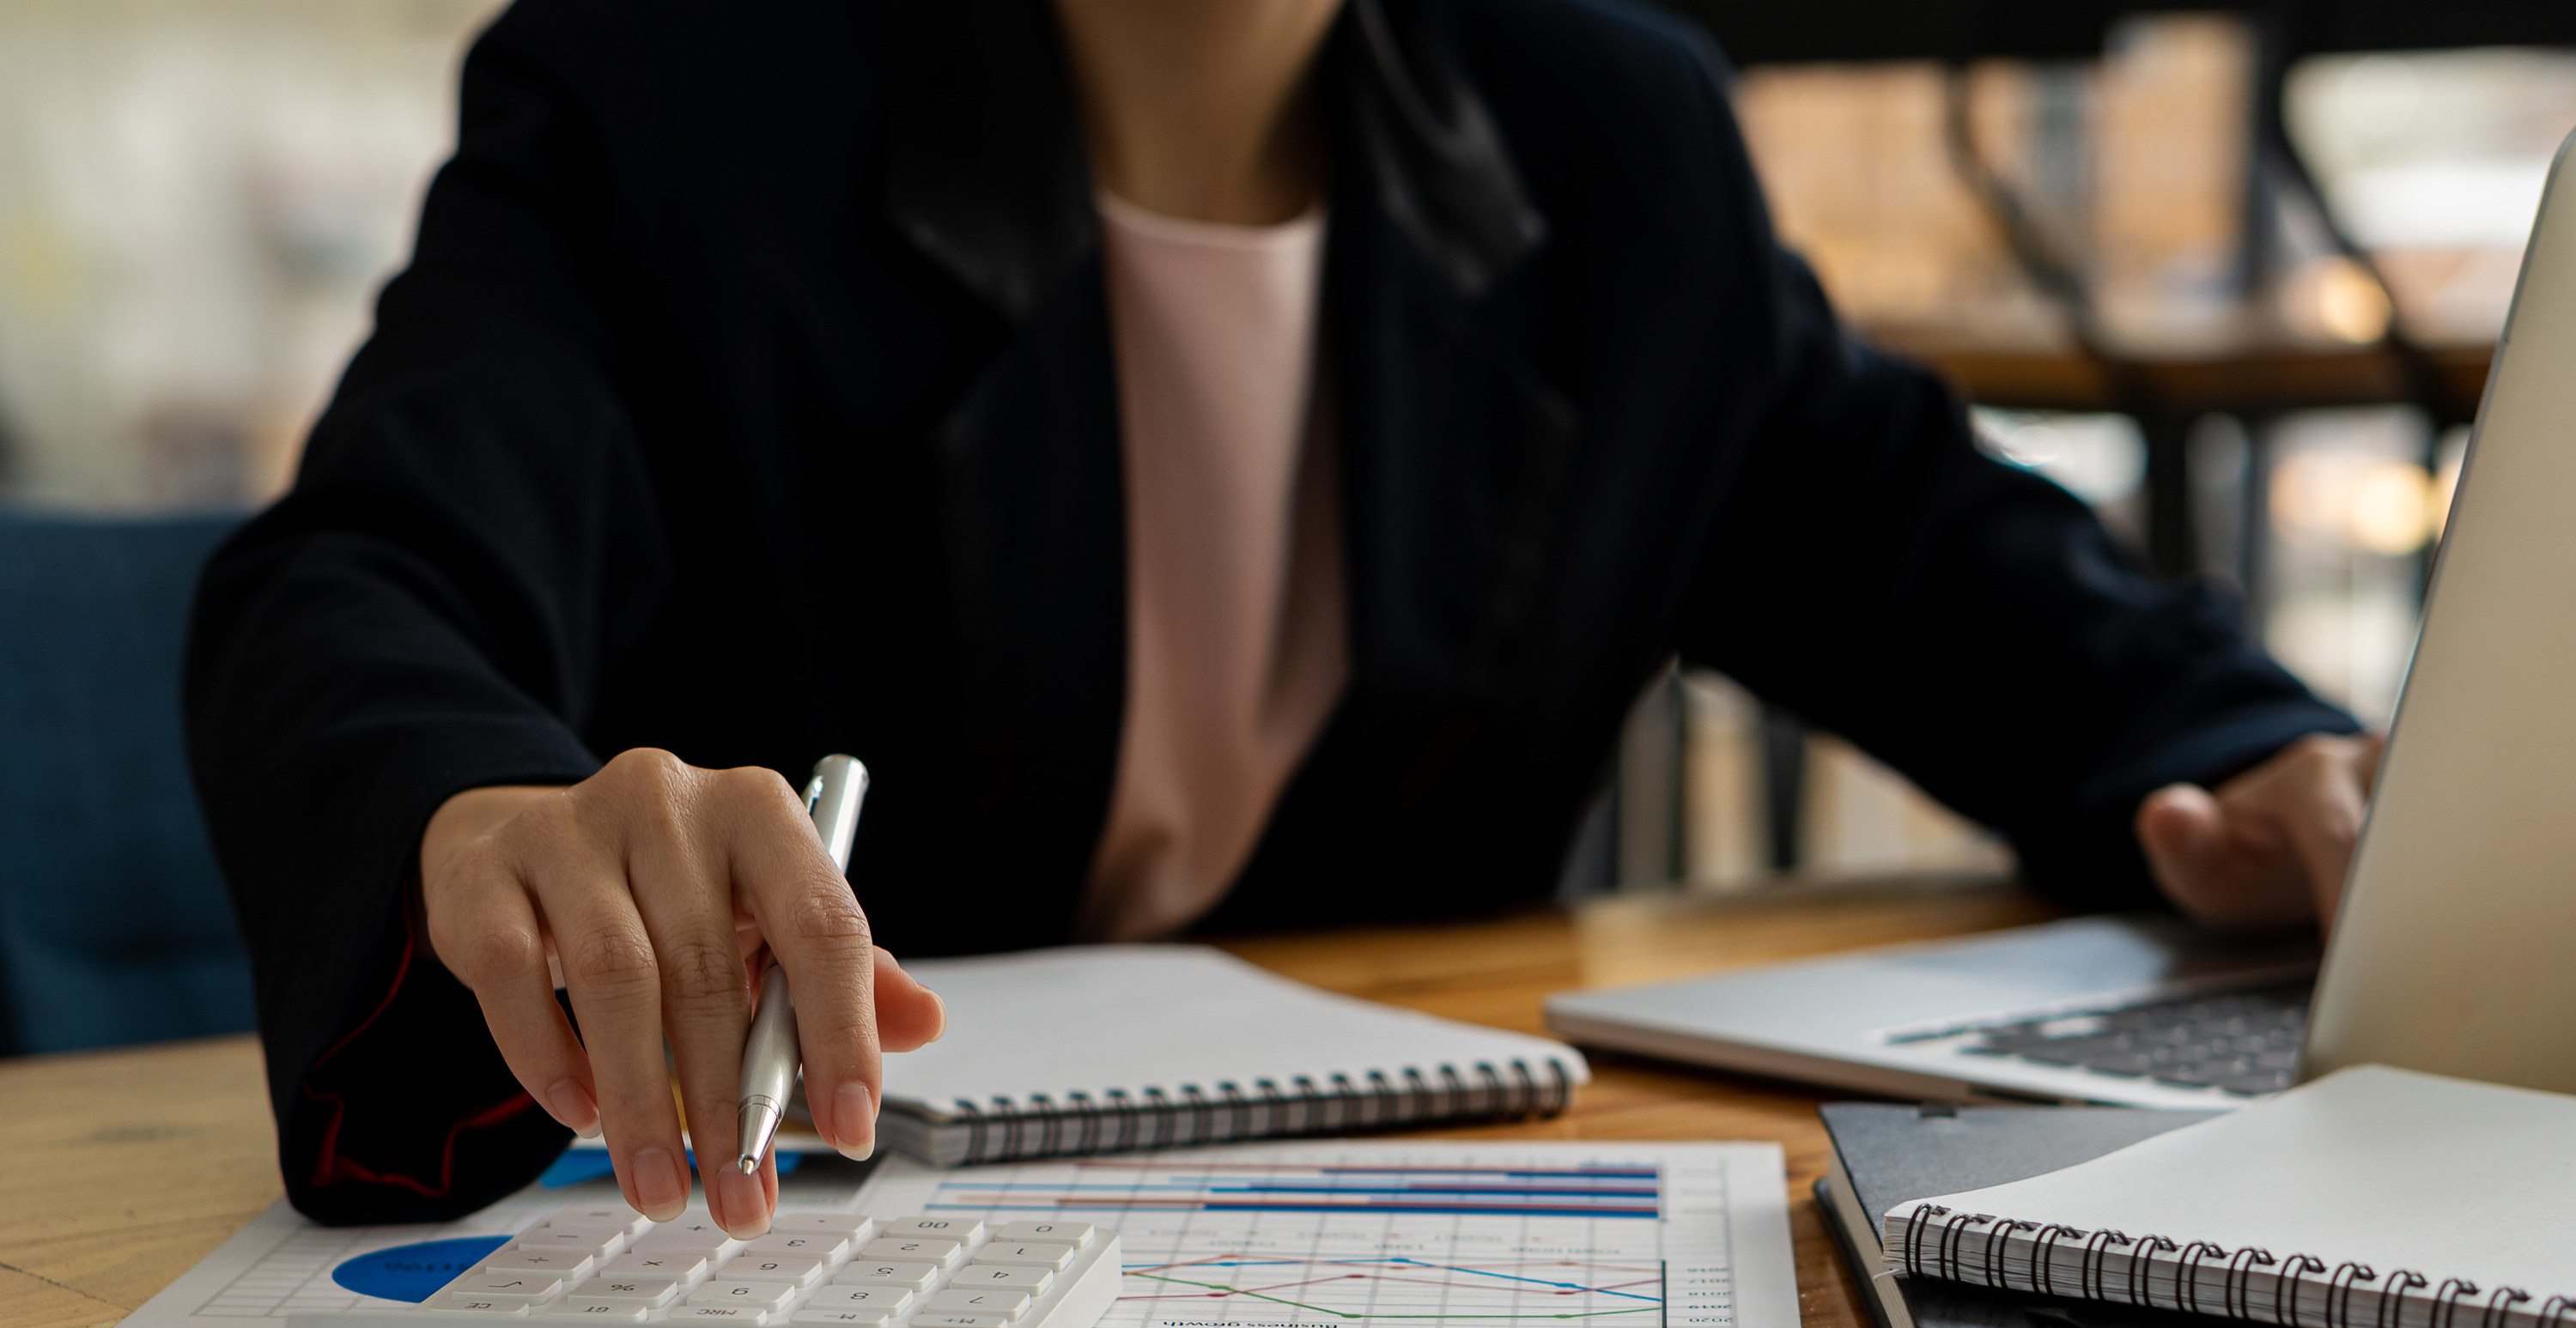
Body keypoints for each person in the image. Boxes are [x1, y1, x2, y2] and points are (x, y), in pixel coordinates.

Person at [185, 0, 2374, 1238]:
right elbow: (357, 582)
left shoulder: (1610, 134)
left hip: (1419, 1275)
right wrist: (482, 811)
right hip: (807, 1259)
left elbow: (1942, 563)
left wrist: (2276, 764)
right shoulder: (671, 94)